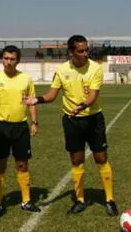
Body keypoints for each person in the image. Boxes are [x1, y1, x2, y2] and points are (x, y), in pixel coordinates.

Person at [23, 35, 118, 216]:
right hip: (72, 121)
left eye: (86, 50)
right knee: (76, 160)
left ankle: (109, 199)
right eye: (81, 51)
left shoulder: (95, 68)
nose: (85, 54)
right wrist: (38, 99)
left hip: (93, 119)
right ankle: (80, 200)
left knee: (101, 158)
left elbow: (93, 96)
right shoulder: (62, 70)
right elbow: (52, 95)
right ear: (71, 52)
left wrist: (83, 105)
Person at [0, 45, 41, 215]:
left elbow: (31, 101)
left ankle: (26, 201)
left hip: (21, 127)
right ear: (2, 59)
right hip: (1, 127)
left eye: (12, 59)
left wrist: (34, 122)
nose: (8, 62)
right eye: (5, 58)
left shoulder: (26, 79)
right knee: (0, 165)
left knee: (22, 164)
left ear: (18, 61)